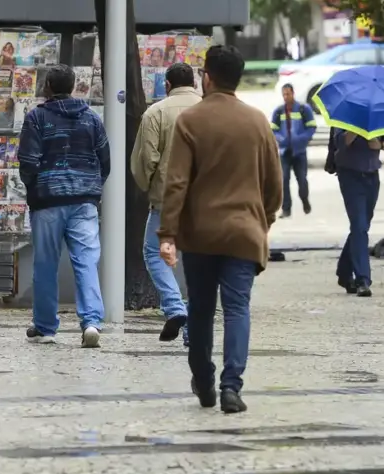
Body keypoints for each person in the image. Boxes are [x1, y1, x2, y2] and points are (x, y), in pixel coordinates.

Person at [158, 45, 283, 414]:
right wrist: (265, 220)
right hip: (244, 233)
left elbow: (176, 182)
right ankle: (232, 386)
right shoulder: (258, 121)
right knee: (237, 308)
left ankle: (204, 380)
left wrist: (167, 234)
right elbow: (274, 185)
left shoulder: (191, 121)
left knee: (199, 309)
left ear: (206, 77)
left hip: (200, 234)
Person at [18, 63, 111, 348]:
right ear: (73, 87)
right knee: (86, 262)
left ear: (48, 86)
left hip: (47, 201)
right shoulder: (91, 119)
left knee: (46, 263)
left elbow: (28, 162)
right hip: (84, 201)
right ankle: (91, 322)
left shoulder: (36, 118)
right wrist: (93, 189)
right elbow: (104, 160)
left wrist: (33, 190)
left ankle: (46, 326)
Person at [131, 63, 201, 344]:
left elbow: (145, 160)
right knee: (200, 263)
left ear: (167, 85)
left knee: (154, 252)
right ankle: (193, 329)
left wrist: (151, 188)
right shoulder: (208, 110)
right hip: (205, 201)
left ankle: (174, 307)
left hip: (167, 200)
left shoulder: (155, 113)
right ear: (194, 83)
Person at [332, 129, 384, 297]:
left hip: (372, 176)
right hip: (349, 175)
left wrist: (380, 145)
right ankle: (363, 279)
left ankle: (344, 272)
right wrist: (355, 130)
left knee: (361, 226)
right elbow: (340, 142)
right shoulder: (346, 115)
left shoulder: (378, 117)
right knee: (359, 225)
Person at [270, 83, 317, 217]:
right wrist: (280, 138)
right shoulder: (279, 111)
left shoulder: (303, 109)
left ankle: (305, 200)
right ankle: (286, 209)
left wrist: (302, 139)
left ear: (293, 93)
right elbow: (273, 129)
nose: (286, 97)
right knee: (284, 180)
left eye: (288, 94)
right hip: (285, 152)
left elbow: (311, 127)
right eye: (284, 94)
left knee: (302, 179)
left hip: (299, 151)